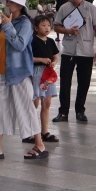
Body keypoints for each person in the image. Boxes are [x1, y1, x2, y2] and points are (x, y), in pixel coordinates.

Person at [0, 0, 46, 161]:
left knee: (26, 108)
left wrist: (8, 26)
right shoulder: (5, 21)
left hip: (19, 73)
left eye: (10, 1)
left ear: (19, 5)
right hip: (0, 73)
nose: (7, 4)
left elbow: (20, 45)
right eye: (7, 1)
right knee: (0, 110)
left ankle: (39, 145)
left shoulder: (25, 23)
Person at [52, 0, 96, 123]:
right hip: (68, 51)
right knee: (65, 83)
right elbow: (56, 27)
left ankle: (80, 111)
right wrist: (68, 30)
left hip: (86, 51)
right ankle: (63, 112)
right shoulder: (64, 8)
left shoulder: (91, 8)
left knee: (84, 83)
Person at [26, 13, 60, 145]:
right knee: (34, 102)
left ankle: (44, 131)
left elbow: (55, 56)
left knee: (47, 103)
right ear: (36, 28)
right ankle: (30, 132)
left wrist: (54, 62)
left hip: (48, 74)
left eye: (48, 25)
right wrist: (41, 59)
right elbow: (28, 58)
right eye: (43, 25)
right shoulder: (32, 41)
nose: (47, 27)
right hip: (36, 73)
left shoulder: (51, 41)